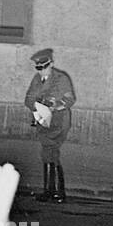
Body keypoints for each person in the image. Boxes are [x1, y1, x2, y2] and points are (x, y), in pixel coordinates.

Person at [24, 49, 76, 202]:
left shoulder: (61, 79)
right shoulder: (36, 80)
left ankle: (56, 192)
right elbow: (28, 98)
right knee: (48, 153)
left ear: (51, 64)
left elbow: (69, 100)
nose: (41, 71)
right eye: (38, 68)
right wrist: (36, 106)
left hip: (58, 121)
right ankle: (53, 191)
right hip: (42, 120)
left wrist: (53, 106)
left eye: (44, 67)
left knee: (50, 151)